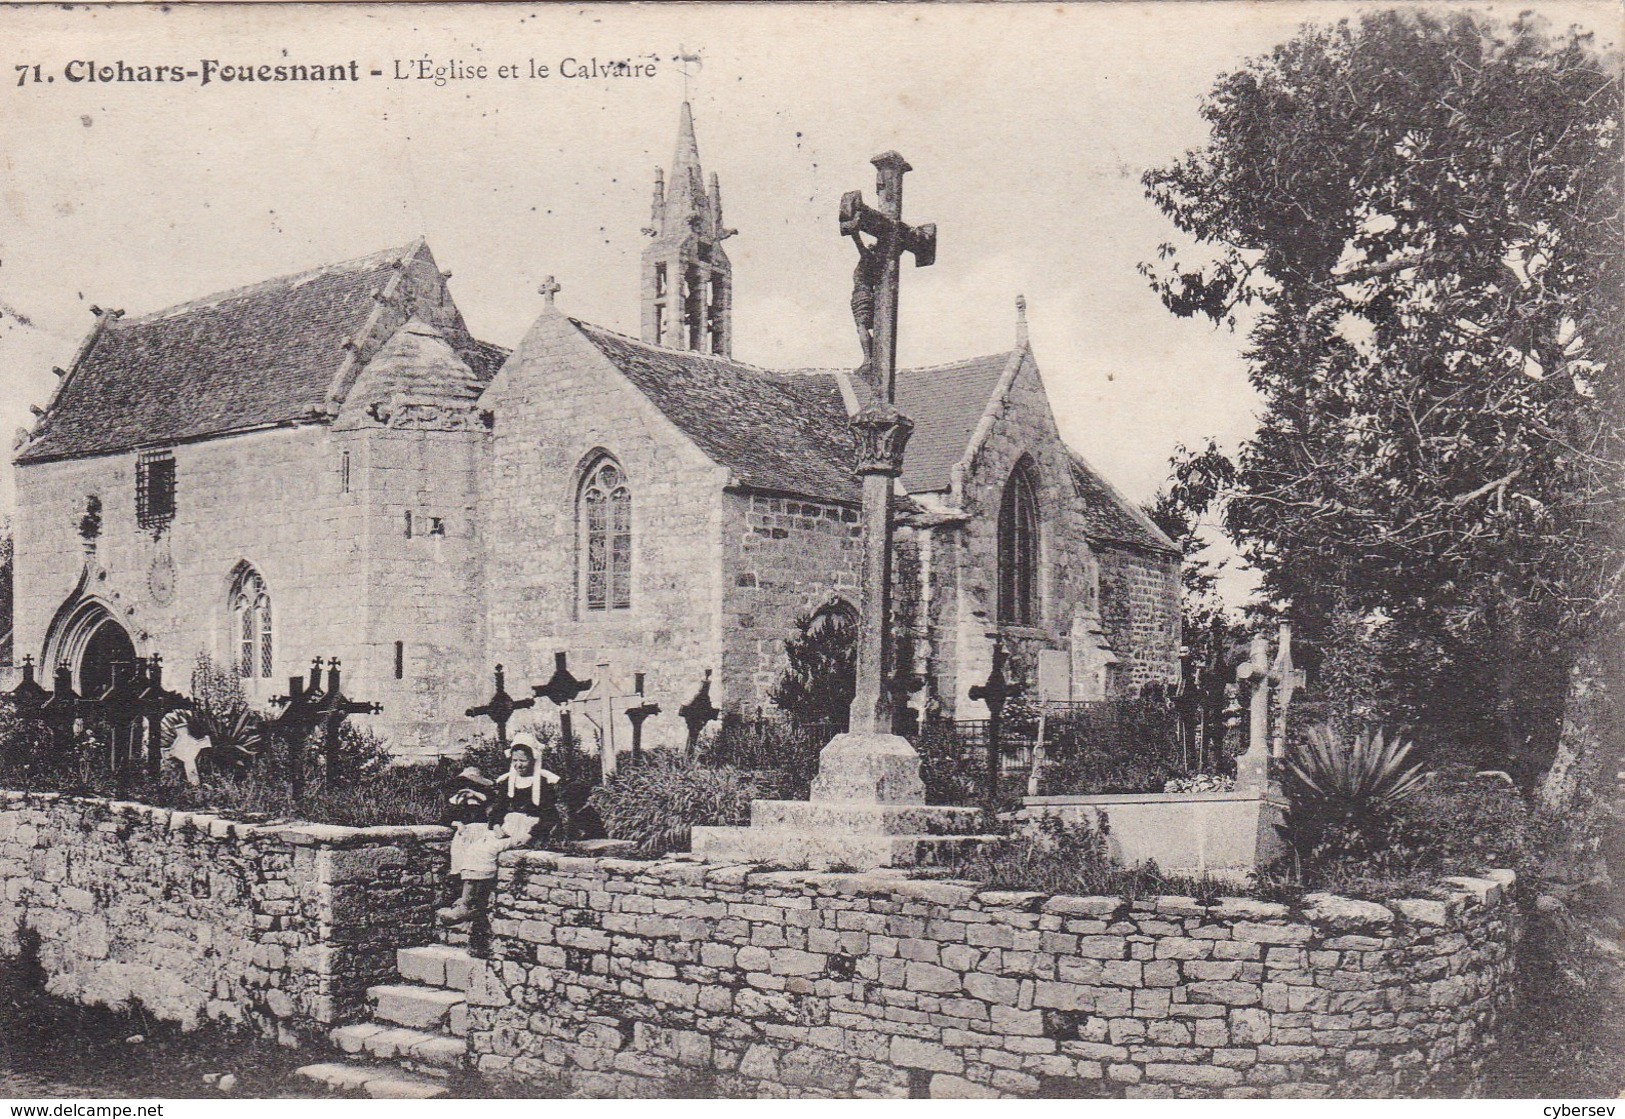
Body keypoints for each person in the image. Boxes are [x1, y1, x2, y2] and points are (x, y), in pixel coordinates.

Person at [437, 766, 499, 925]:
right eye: (465, 783)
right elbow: (446, 817)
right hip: (465, 831)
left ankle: (469, 901)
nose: (468, 786)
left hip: (482, 830)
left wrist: (477, 796)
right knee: (460, 855)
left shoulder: (486, 798)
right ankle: (459, 897)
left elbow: (493, 815)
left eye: (472, 783)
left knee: (476, 857)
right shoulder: (458, 798)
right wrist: (457, 824)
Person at [488, 732, 564, 845]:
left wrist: (530, 835)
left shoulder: (543, 783)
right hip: (508, 828)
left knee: (485, 852)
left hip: (531, 832)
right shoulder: (508, 782)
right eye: (515, 760)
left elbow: (550, 816)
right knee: (477, 846)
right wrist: (496, 826)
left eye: (523, 761)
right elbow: (499, 808)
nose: (518, 765)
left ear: (533, 760)